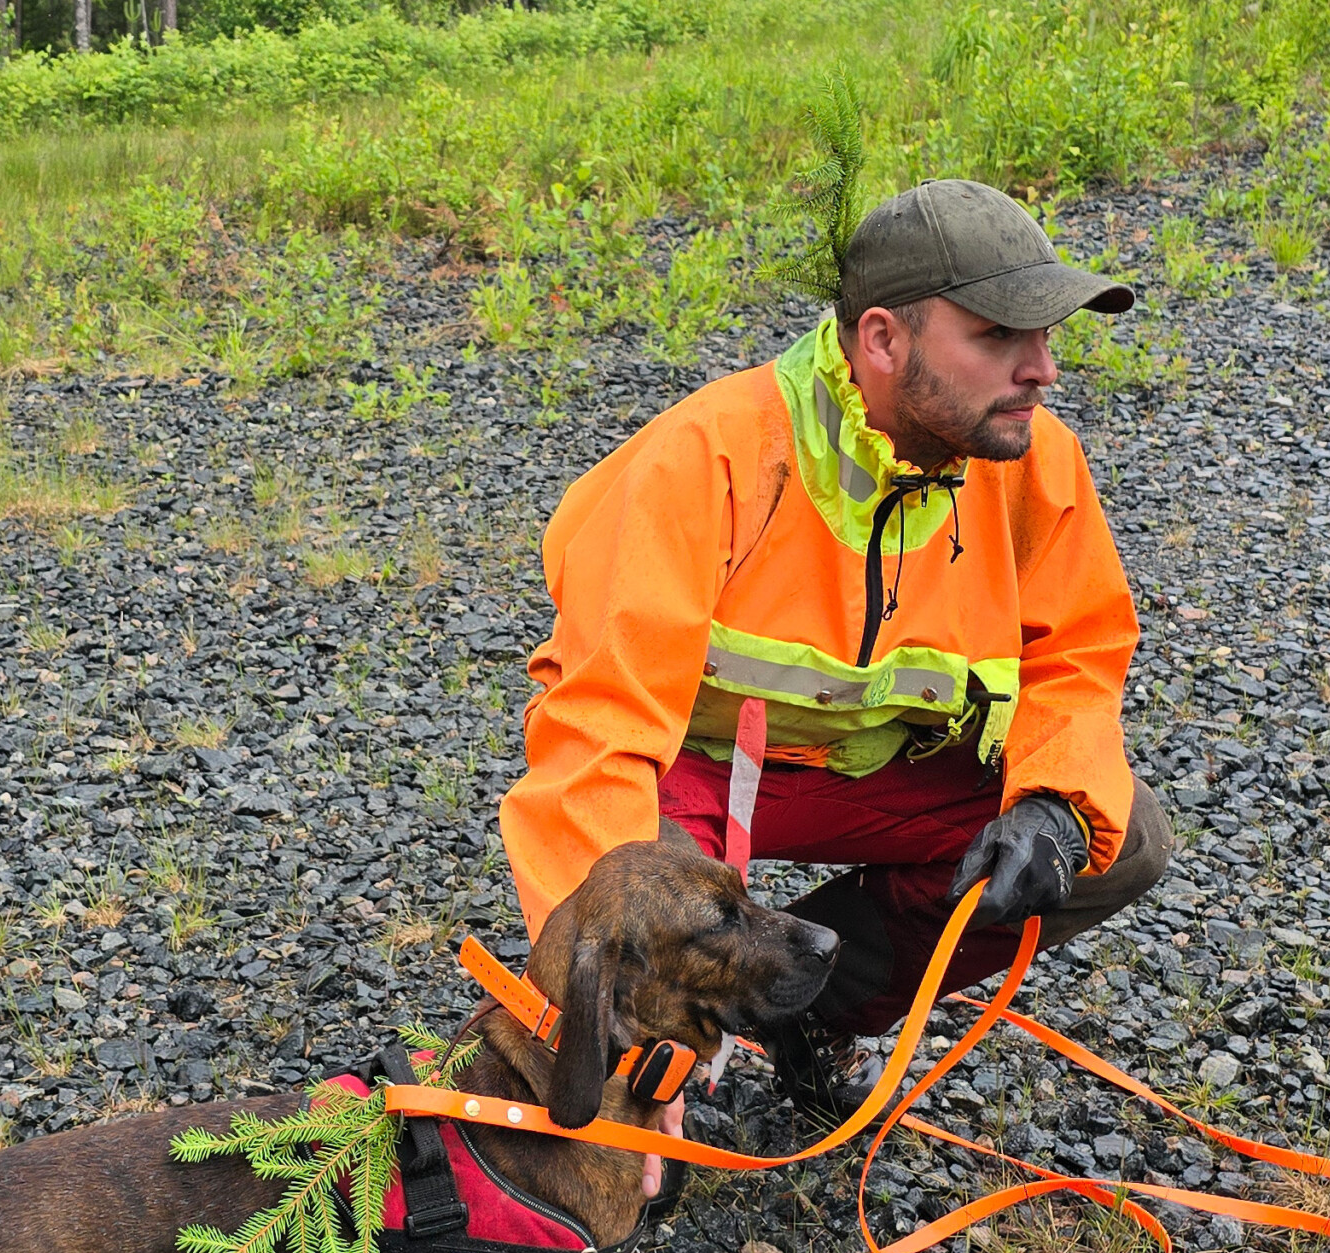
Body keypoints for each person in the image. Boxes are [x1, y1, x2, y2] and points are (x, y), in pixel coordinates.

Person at [500, 178, 1176, 1126]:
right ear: (883, 341)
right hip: (682, 777)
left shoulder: (1034, 463)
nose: (1043, 370)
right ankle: (652, 1061)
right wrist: (618, 1025)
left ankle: (812, 1013)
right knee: (626, 1040)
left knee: (1120, 838)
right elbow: (596, 733)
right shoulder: (710, 458)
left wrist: (1058, 806)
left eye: (1047, 336)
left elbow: (1079, 651)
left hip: (875, 776)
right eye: (998, 337)